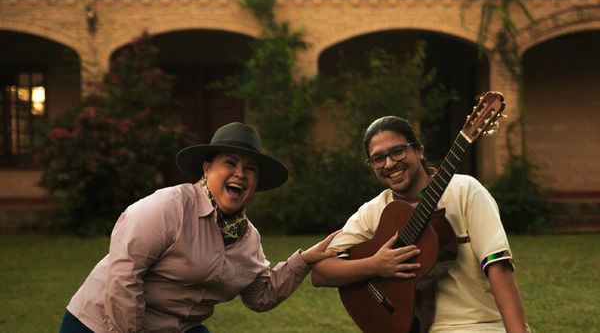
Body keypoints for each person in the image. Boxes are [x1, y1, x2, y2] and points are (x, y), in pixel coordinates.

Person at [59, 122, 339, 333]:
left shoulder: (247, 238)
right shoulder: (168, 208)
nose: (240, 173)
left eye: (250, 168)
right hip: (101, 325)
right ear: (206, 169)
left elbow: (260, 296)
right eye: (230, 163)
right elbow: (123, 277)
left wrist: (303, 261)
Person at [311, 116, 528, 332]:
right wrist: (376, 265)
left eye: (397, 151)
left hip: (479, 326)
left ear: (419, 151)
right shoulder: (373, 211)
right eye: (378, 159)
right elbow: (321, 272)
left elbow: (497, 265)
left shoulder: (465, 191)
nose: (389, 163)